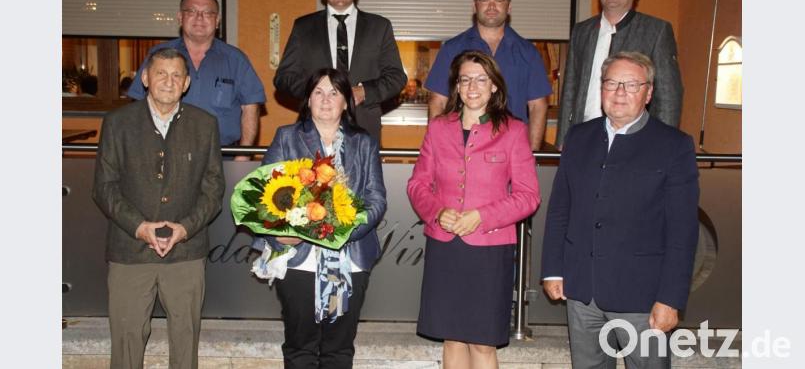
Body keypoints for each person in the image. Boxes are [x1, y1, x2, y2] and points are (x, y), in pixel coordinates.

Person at [541, 52, 699, 368]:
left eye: (631, 84)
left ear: (649, 92)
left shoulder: (674, 146)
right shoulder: (579, 137)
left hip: (642, 296)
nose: (620, 92)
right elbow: (561, 208)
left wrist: (670, 299)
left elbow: (683, 230)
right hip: (582, 291)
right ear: (601, 90)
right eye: (612, 83)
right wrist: (553, 269)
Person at [93, 47, 225, 369]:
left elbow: (213, 188)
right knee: (126, 340)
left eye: (176, 74)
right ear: (146, 78)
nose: (169, 81)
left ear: (187, 82)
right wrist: (139, 226)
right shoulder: (117, 123)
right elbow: (104, 187)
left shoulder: (205, 124)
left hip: (186, 249)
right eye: (161, 73)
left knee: (185, 339)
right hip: (130, 249)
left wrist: (186, 228)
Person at [408, 50, 540, 368]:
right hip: (445, 246)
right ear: (456, 86)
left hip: (489, 250)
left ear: (494, 86)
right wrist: (438, 212)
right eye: (465, 79)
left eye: (481, 79)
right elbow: (417, 185)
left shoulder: (514, 131)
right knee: (452, 339)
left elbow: (528, 196)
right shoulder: (439, 128)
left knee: (482, 343)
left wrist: (482, 216)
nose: (472, 87)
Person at [254, 68, 387, 368]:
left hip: (350, 260)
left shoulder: (364, 142)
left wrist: (341, 232)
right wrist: (283, 231)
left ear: (346, 102)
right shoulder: (287, 137)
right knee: (300, 347)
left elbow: (377, 200)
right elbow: (264, 196)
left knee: (339, 349)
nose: (326, 100)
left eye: (334, 93)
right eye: (318, 92)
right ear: (308, 99)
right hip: (300, 259)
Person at [273, 0, 407, 142]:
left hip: (364, 128)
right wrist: (317, 92)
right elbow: (283, 78)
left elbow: (396, 77)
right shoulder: (303, 27)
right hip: (313, 129)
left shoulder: (379, 26)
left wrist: (365, 92)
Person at [555, 0, 683, 147]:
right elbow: (570, 87)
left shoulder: (656, 31)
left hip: (635, 138)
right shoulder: (582, 31)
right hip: (584, 135)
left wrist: (662, 145)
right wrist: (563, 138)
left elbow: (668, 95)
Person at [128, 0, 266, 160]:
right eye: (192, 11)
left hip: (222, 158)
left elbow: (251, 108)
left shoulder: (236, 59)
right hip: (165, 157)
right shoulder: (158, 56)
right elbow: (137, 106)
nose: (200, 18)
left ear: (217, 21)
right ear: (180, 17)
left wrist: (243, 156)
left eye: (208, 13)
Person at [424, 0, 552, 150]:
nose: (492, 6)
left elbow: (538, 106)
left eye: (499, 0)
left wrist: (531, 155)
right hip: (461, 151)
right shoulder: (452, 49)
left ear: (509, 7)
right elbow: (437, 102)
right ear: (474, 6)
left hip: (511, 152)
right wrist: (438, 150)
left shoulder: (528, 52)